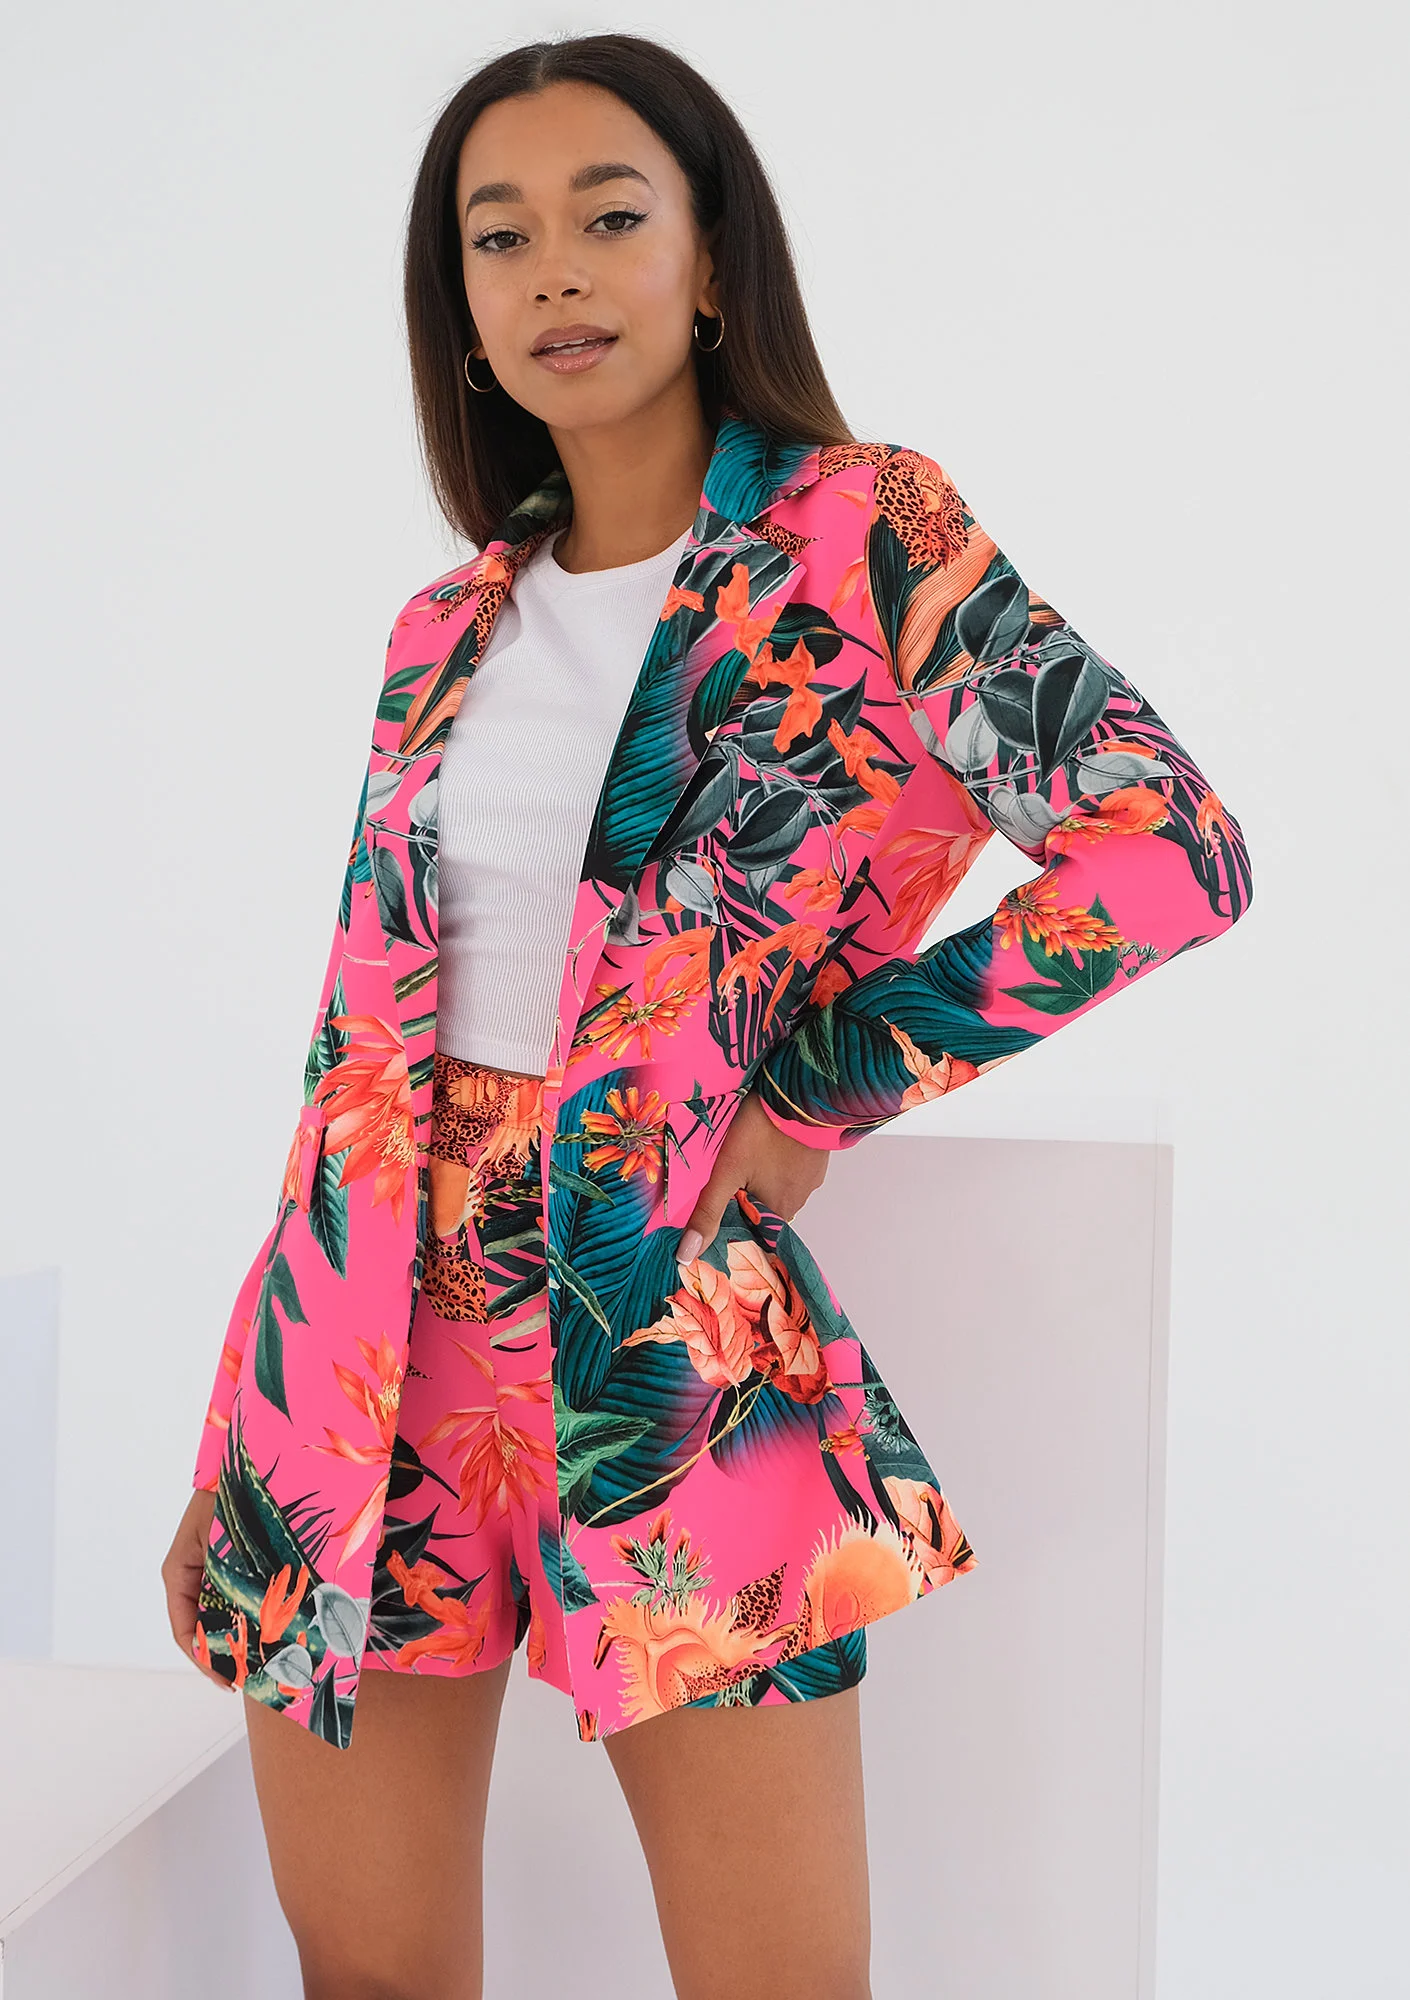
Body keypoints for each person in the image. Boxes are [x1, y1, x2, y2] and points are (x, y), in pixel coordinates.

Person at [160, 31, 1252, 2000]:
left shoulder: (864, 533)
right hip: (360, 1359)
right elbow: (354, 1056)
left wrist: (827, 1078)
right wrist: (247, 1425)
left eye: (608, 217)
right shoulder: (440, 632)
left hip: (665, 1325)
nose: (554, 273)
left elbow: (1170, 847)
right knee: (366, 1973)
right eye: (500, 237)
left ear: (712, 260)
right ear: (459, 304)